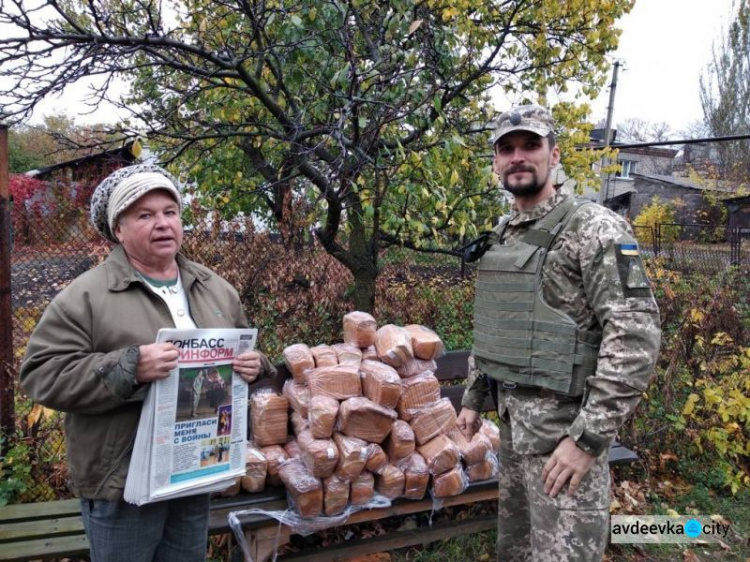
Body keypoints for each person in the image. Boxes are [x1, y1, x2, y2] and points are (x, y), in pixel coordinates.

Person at [20, 163, 277, 562]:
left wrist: (254, 365)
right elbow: (41, 375)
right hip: (122, 485)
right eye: (145, 215)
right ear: (118, 230)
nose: (162, 224)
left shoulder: (215, 289)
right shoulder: (86, 297)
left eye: (169, 212)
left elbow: (246, 349)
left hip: (194, 470)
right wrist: (130, 367)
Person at [456, 105, 661, 561]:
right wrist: (473, 397)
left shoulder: (596, 228)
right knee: (517, 551)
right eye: (506, 149)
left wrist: (587, 440)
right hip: (513, 432)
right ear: (495, 163)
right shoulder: (504, 233)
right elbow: (496, 320)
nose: (518, 157)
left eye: (531, 145)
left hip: (564, 443)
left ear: (554, 154)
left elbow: (635, 336)